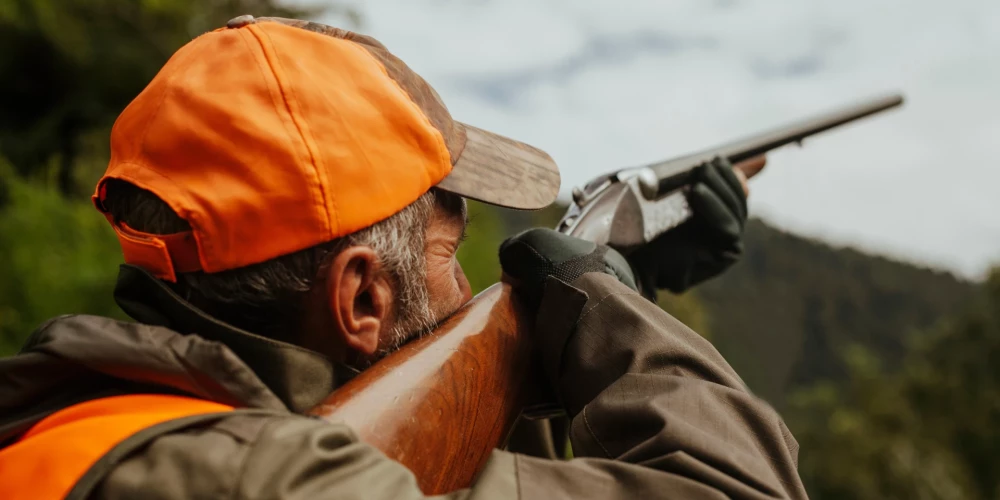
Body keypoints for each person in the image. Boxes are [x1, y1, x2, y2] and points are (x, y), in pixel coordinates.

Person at [0, 16, 807, 500]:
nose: (469, 291)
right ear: (360, 301)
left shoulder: (80, 436)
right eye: (451, 255)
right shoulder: (266, 483)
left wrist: (633, 287)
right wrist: (603, 306)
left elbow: (439, 459)